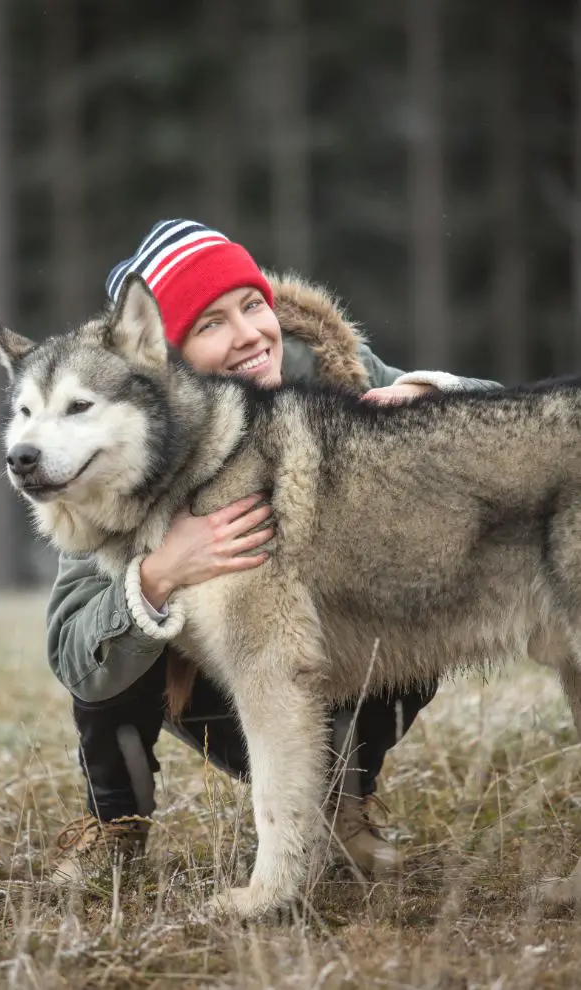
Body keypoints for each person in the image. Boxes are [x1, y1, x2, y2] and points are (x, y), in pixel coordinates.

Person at [47, 219, 500, 883]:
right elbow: (72, 651)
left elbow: (525, 435)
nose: (249, 337)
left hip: (337, 663)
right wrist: (159, 574)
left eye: (252, 305)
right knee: (119, 626)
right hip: (212, 689)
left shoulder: (339, 377)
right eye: (209, 325)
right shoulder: (121, 456)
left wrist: (431, 398)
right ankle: (118, 822)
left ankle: (341, 802)